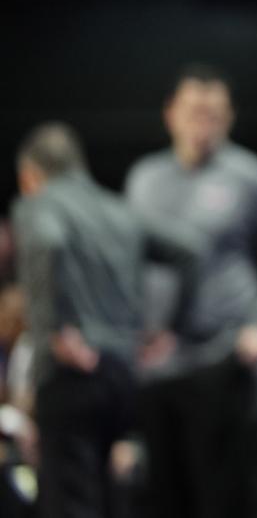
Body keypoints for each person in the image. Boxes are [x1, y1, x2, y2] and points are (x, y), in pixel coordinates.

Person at [125, 65, 257, 518]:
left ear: (228, 118)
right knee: (160, 496)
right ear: (171, 114)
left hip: (224, 361)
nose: (203, 123)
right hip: (157, 367)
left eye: (214, 114)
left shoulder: (252, 179)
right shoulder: (143, 180)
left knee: (221, 498)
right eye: (194, 111)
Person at [10, 123, 147, 518]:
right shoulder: (118, 209)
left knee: (69, 502)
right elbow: (185, 250)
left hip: (72, 372)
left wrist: (53, 330)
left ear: (30, 175)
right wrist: (161, 328)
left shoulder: (39, 203)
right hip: (122, 372)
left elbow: (48, 241)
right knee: (110, 495)